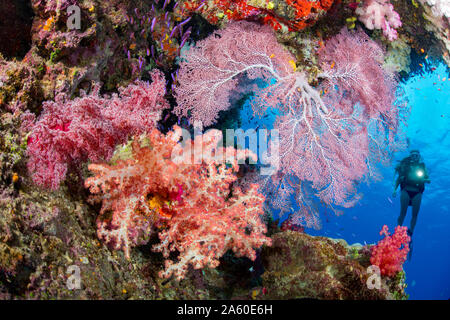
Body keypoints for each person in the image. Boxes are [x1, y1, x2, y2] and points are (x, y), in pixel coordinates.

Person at [392, 150, 430, 258]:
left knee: (415, 214)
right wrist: (394, 190)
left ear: (419, 156)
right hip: (406, 190)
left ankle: (411, 232)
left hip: (417, 192)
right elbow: (399, 179)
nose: (414, 157)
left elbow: (428, 178)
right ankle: (398, 229)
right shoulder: (405, 166)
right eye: (413, 155)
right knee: (403, 212)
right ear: (410, 156)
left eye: (416, 155)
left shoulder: (422, 166)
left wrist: (424, 179)